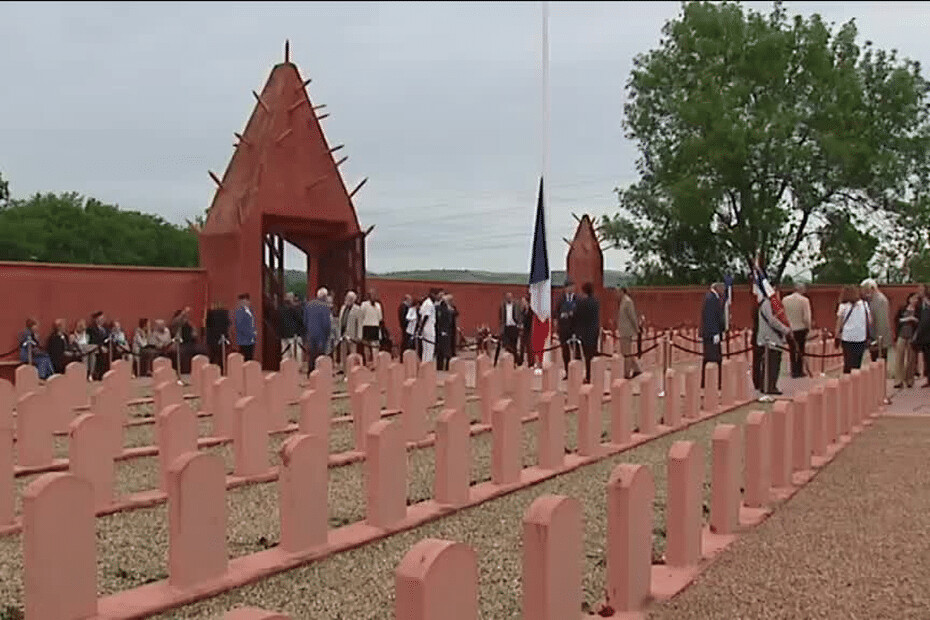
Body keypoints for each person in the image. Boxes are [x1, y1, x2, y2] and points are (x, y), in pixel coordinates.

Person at [755, 293, 791, 395]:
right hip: (769, 339)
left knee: (773, 363)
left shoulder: (772, 303)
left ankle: (769, 385)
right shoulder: (767, 303)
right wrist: (785, 330)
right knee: (771, 364)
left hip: (774, 339)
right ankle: (769, 386)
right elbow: (772, 320)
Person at [835, 285, 872, 374]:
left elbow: (839, 323)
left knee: (848, 361)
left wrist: (836, 335)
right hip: (861, 336)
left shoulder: (843, 306)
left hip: (847, 337)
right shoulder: (864, 304)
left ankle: (847, 379)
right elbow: (869, 320)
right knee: (857, 362)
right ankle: (855, 380)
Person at [782, 283, 812, 378]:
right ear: (801, 290)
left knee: (792, 349)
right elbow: (806, 317)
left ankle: (793, 369)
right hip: (801, 327)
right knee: (801, 349)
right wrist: (809, 327)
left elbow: (782, 314)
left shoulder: (785, 300)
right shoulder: (804, 300)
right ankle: (799, 370)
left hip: (789, 328)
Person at [700, 282, 726, 389]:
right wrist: (715, 332)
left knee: (711, 358)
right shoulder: (711, 298)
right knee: (712, 358)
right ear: (717, 288)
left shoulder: (713, 297)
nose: (723, 290)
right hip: (711, 334)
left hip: (712, 333)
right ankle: (711, 382)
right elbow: (710, 317)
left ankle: (710, 382)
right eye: (722, 288)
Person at [573, 282, 600, 383]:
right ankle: (594, 375)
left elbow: (577, 316)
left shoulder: (581, 303)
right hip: (594, 330)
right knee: (593, 354)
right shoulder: (596, 302)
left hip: (584, 332)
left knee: (586, 356)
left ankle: (588, 376)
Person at [861, 278, 892, 362]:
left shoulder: (879, 300)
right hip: (875, 337)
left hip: (879, 338)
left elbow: (881, 321)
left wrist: (878, 339)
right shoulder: (872, 300)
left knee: (880, 362)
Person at [893, 293, 920, 389]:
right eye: (913, 298)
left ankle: (909, 379)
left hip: (912, 336)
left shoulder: (918, 310)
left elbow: (920, 322)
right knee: (899, 357)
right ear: (909, 299)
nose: (915, 300)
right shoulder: (903, 309)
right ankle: (898, 380)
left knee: (911, 359)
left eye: (916, 299)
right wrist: (907, 319)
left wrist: (915, 320)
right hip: (902, 334)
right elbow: (897, 320)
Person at [303, 287, 332, 372]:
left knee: (311, 355)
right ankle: (319, 372)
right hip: (321, 335)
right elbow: (326, 323)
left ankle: (310, 372)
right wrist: (328, 334)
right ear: (325, 296)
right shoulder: (325, 307)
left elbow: (305, 320)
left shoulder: (309, 305)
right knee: (320, 355)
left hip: (310, 333)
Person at [554, 280, 579, 378]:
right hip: (563, 329)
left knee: (576, 351)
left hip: (574, 329)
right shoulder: (561, 300)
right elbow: (556, 313)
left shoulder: (577, 299)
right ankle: (567, 371)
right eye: (568, 287)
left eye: (571, 287)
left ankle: (576, 371)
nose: (570, 289)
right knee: (565, 352)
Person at [616, 287, 642, 379]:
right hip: (623, 330)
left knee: (626, 353)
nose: (616, 293)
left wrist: (636, 329)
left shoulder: (627, 302)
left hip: (627, 331)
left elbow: (632, 316)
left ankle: (627, 373)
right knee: (626, 352)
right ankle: (636, 369)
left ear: (622, 291)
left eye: (618, 291)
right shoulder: (622, 301)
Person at [336, 291, 362, 369]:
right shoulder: (343, 307)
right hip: (343, 335)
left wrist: (359, 337)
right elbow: (340, 321)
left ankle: (353, 371)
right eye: (347, 297)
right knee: (343, 355)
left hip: (352, 336)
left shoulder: (357, 309)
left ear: (353, 300)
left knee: (352, 355)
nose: (347, 299)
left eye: (350, 298)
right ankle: (345, 372)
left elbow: (359, 324)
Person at [278, 292, 305, 365]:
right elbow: (300, 319)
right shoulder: (294, 308)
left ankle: (284, 365)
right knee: (296, 351)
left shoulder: (280, 308)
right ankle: (298, 366)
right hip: (293, 333)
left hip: (283, 333)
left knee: (285, 351)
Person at [358, 289, 383, 365]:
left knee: (369, 346)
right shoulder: (377, 305)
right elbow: (380, 318)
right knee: (371, 346)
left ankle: (371, 362)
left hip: (369, 326)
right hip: (372, 326)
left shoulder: (364, 305)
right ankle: (373, 362)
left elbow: (361, 316)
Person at [912, 284, 930, 386]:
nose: (919, 291)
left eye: (921, 290)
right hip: (923, 335)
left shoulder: (927, 303)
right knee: (926, 358)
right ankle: (928, 379)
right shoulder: (919, 304)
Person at [496, 292, 521, 365]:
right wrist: (501, 328)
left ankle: (516, 361)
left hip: (514, 327)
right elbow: (501, 317)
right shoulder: (502, 306)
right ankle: (511, 360)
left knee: (514, 345)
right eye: (507, 297)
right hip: (506, 327)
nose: (509, 298)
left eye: (510, 297)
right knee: (507, 345)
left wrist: (519, 324)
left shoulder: (516, 305)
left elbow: (519, 315)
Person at [205, 302, 231, 369]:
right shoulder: (225, 313)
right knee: (221, 355)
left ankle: (211, 369)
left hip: (212, 337)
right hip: (222, 336)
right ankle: (222, 369)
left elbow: (208, 324)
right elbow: (228, 324)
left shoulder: (210, 313)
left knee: (212, 355)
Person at [234, 293, 257, 361]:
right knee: (246, 357)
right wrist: (251, 333)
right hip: (245, 338)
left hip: (248, 338)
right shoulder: (241, 311)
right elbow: (240, 325)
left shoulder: (248, 310)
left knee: (249, 356)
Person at [87, 311, 109, 380]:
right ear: (96, 320)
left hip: (107, 347)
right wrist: (100, 346)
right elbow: (93, 340)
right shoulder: (92, 329)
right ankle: (95, 374)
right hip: (97, 348)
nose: (102, 320)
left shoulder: (106, 328)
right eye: (100, 319)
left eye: (103, 319)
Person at [418, 288, 438, 364]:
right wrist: (421, 328)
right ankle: (427, 365)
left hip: (426, 327)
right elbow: (426, 316)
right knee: (430, 348)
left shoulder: (426, 303)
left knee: (426, 349)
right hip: (429, 327)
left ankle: (424, 364)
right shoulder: (429, 304)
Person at [436, 293, 455, 371]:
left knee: (445, 350)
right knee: (444, 350)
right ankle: (443, 367)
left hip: (447, 331)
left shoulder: (450, 309)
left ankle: (444, 366)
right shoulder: (443, 309)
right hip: (444, 331)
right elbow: (444, 320)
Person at [519, 295, 534, 368]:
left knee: (529, 347)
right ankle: (520, 361)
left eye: (523, 302)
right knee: (521, 346)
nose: (522, 304)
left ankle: (531, 363)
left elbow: (531, 320)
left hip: (530, 330)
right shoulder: (523, 311)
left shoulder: (531, 311)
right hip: (524, 330)